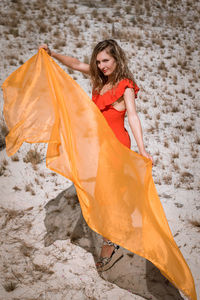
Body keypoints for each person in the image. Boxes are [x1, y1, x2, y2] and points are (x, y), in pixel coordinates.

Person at [39, 39, 153, 271]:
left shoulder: (126, 85)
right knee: (101, 194)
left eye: (106, 61)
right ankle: (115, 229)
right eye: (99, 61)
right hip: (98, 146)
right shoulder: (98, 81)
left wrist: (142, 149)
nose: (102, 66)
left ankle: (110, 242)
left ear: (116, 59)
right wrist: (53, 54)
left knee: (108, 196)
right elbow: (76, 63)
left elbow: (132, 117)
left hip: (117, 148)